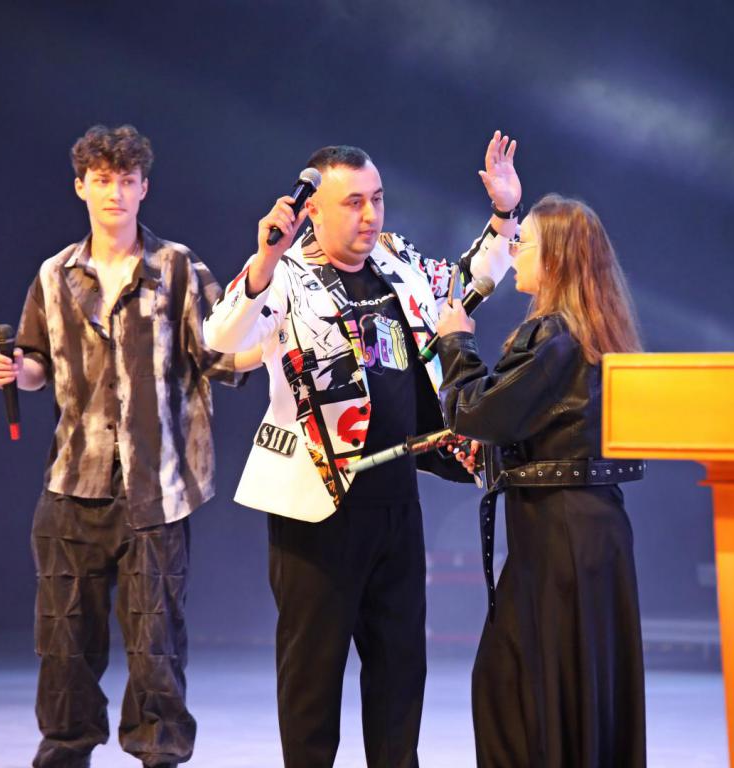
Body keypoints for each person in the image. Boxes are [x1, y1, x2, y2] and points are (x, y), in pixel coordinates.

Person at [202, 133, 521, 767]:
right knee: (312, 680)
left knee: (401, 671)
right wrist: (264, 260)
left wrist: (504, 212)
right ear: (313, 210)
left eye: (377, 199)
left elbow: (467, 281)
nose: (370, 215)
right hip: (316, 505)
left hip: (395, 500)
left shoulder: (397, 261)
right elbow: (221, 336)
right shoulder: (283, 278)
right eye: (353, 203)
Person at [0, 124, 258, 768]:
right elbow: (37, 361)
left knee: (156, 641)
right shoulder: (54, 275)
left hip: (156, 486)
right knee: (64, 642)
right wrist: (16, 371)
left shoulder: (179, 268)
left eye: (127, 181)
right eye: (103, 180)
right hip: (72, 482)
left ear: (144, 189)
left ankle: (159, 753)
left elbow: (224, 355)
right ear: (81, 187)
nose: (115, 193)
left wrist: (272, 340)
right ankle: (65, 749)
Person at [436, 194, 647, 767]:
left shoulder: (553, 335)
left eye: (522, 243)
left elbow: (477, 410)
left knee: (516, 688)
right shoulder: (596, 334)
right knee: (580, 683)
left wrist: (456, 341)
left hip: (559, 534)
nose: (513, 254)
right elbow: (542, 428)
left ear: (553, 259)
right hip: (591, 528)